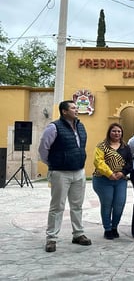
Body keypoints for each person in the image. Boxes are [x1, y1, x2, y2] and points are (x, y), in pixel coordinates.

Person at [38, 100, 91, 253]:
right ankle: (52, 238)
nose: (77, 110)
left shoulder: (81, 126)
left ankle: (78, 234)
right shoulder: (53, 127)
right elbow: (43, 149)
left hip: (79, 171)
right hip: (60, 172)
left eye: (76, 107)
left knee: (77, 206)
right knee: (57, 207)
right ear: (64, 111)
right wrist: (53, 164)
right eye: (73, 108)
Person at [92, 123, 133, 240]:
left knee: (119, 204)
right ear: (109, 132)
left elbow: (130, 163)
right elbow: (98, 162)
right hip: (103, 180)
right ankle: (107, 229)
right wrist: (109, 174)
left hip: (120, 180)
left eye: (119, 131)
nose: (116, 133)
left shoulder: (126, 147)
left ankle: (115, 227)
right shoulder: (101, 146)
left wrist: (122, 173)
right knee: (107, 205)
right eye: (114, 131)